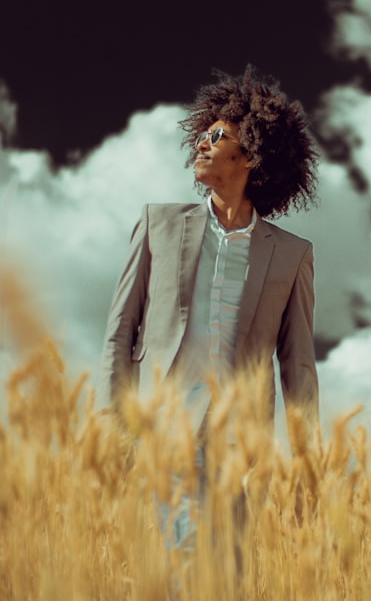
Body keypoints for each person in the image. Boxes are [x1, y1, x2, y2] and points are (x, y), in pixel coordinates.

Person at [100, 66, 321, 548]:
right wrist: (110, 426)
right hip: (163, 428)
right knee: (182, 566)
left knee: (224, 581)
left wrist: (308, 459)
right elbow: (121, 331)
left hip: (238, 445)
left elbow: (298, 365)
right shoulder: (158, 224)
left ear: (252, 154)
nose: (201, 143)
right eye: (201, 135)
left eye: (217, 136)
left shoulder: (291, 254)